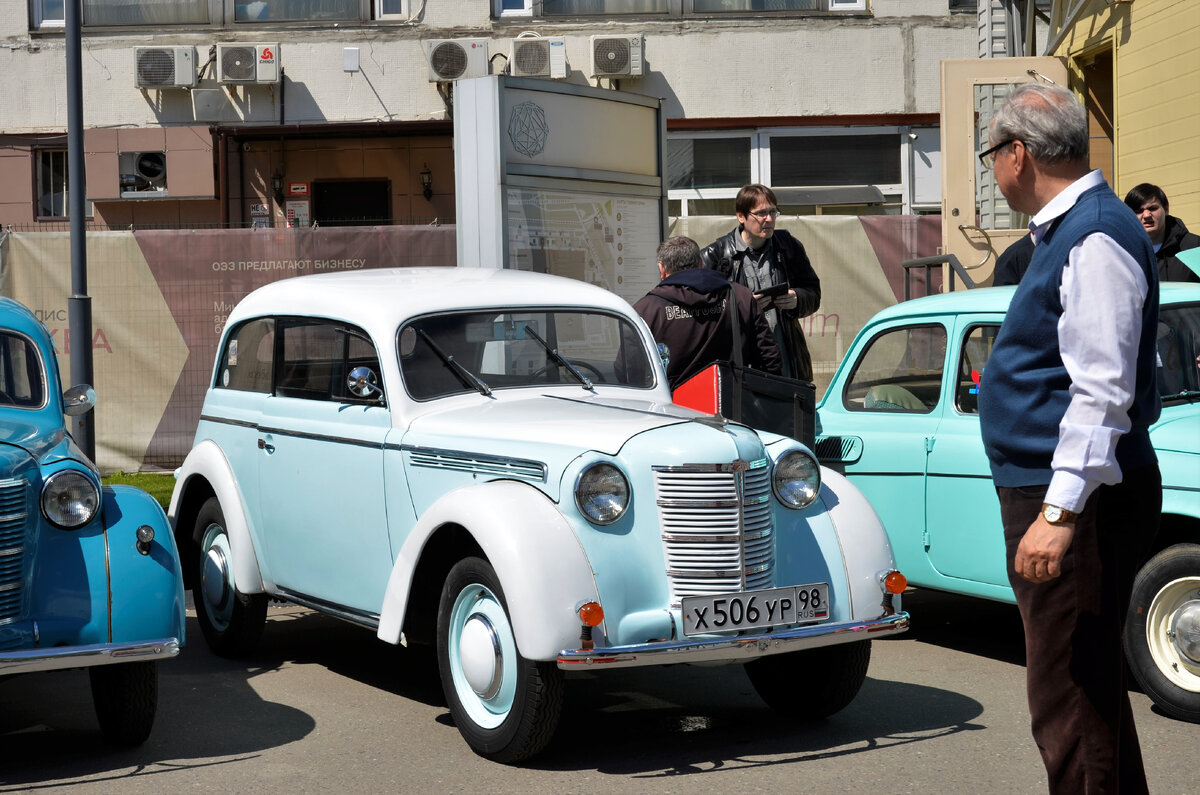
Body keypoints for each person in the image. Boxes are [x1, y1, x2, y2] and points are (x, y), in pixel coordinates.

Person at [977, 82, 1161, 794]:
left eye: (992, 154)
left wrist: (1058, 513)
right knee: (1088, 691)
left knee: (1069, 698)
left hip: (1076, 501)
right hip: (1068, 492)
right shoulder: (1078, 229)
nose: (992, 170)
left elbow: (1103, 390)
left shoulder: (1093, 234)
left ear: (1019, 154)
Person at [699, 184, 821, 381]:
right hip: (739, 367)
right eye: (762, 213)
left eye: (773, 212)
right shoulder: (715, 256)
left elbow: (813, 292)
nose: (770, 219)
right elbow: (701, 314)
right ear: (741, 216)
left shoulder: (788, 246)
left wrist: (798, 298)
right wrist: (741, 308)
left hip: (786, 364)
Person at [632, 235, 780, 389]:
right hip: (730, 403)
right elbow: (769, 358)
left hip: (671, 408)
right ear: (701, 264)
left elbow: (629, 368)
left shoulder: (646, 310)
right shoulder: (740, 297)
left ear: (661, 269)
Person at [1123, 182, 1200, 282]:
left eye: (1153, 208)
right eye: (1139, 211)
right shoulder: (1123, 253)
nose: (1146, 215)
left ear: (1166, 209)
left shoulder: (1195, 247)